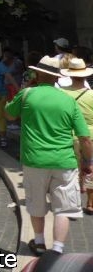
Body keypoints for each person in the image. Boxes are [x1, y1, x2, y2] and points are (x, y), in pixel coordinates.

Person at [5, 56, 92, 256]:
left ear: (37, 73)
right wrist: (88, 161)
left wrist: (25, 88)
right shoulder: (68, 100)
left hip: (34, 160)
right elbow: (84, 138)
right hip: (64, 161)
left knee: (36, 203)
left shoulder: (26, 95)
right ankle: (58, 248)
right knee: (63, 208)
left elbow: (9, 114)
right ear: (57, 77)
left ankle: (40, 242)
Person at [58, 58, 93, 216]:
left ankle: (74, 203)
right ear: (85, 76)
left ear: (70, 75)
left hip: (69, 135)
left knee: (72, 171)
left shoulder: (62, 94)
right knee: (91, 169)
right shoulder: (92, 94)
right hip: (90, 135)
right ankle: (91, 203)